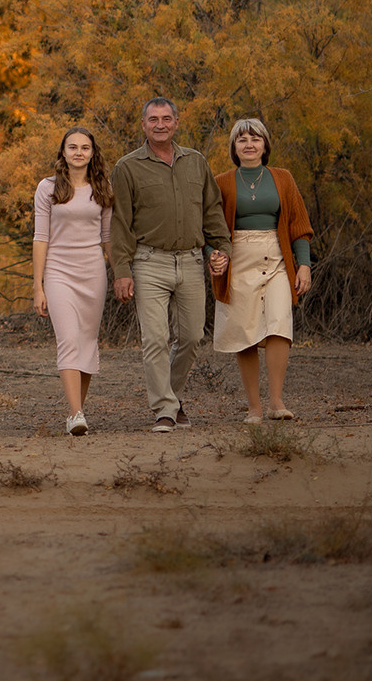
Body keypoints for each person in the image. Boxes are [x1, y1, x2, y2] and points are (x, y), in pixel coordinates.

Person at [110, 97, 229, 433]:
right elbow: (120, 223)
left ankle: (171, 397)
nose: (159, 125)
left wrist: (221, 249)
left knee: (192, 336)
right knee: (155, 338)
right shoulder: (127, 167)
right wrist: (122, 270)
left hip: (191, 260)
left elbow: (212, 211)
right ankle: (164, 408)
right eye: (153, 119)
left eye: (166, 118)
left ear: (177, 122)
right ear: (143, 124)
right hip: (148, 261)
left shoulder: (196, 162)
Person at [212, 117, 315, 423]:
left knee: (279, 324)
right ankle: (254, 407)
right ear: (234, 146)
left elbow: (299, 225)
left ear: (265, 144)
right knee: (244, 331)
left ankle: (276, 401)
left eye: (255, 139)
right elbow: (211, 228)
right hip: (238, 259)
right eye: (242, 139)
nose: (249, 144)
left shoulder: (282, 178)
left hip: (277, 258)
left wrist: (304, 265)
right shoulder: (222, 182)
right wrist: (214, 255)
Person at [33, 127, 114, 436]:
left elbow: (107, 237)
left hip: (93, 271)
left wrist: (120, 272)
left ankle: (78, 408)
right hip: (58, 271)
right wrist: (37, 285)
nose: (79, 152)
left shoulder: (102, 186)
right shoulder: (48, 188)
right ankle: (75, 414)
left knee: (87, 342)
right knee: (68, 339)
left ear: (92, 153)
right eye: (72, 147)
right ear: (63, 152)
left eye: (85, 147)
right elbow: (41, 237)